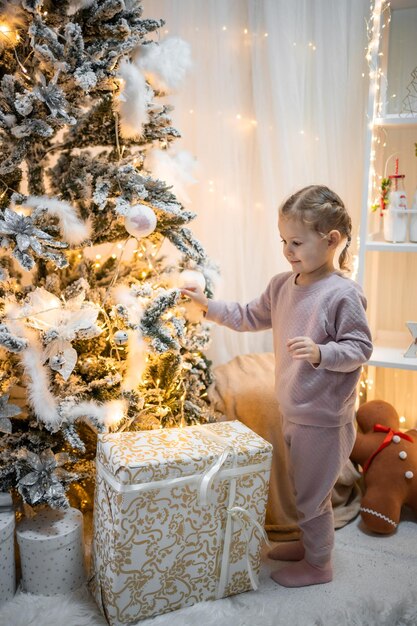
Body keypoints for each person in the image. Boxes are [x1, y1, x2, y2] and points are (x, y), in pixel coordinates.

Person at [180, 185, 373, 588]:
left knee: (311, 496)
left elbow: (360, 347)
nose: (288, 250)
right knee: (301, 485)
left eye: (297, 242)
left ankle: (320, 565)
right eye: (283, 240)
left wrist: (322, 352)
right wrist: (207, 306)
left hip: (323, 418)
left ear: (331, 240)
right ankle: (308, 545)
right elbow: (248, 315)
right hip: (294, 410)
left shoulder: (343, 294)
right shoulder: (282, 286)